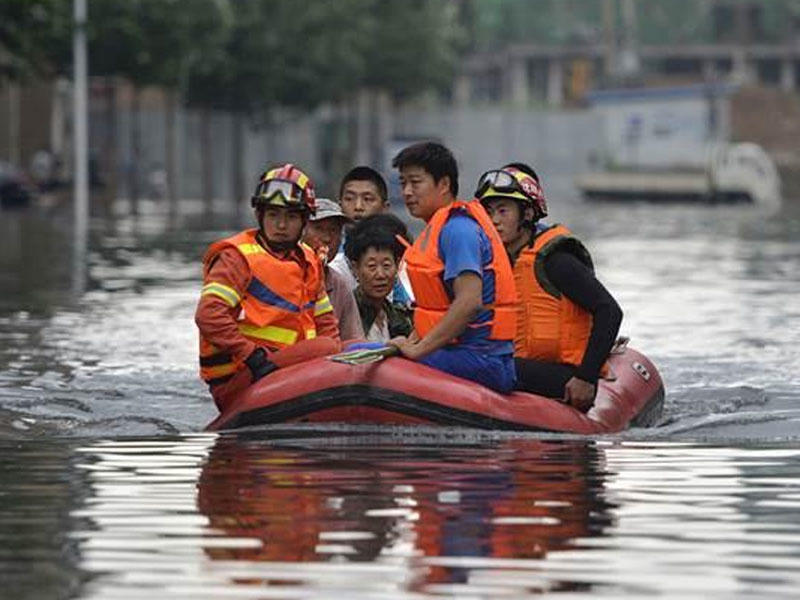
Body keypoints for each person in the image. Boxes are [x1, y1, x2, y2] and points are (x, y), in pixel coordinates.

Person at [476, 162, 623, 412]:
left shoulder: (556, 261)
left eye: (503, 211)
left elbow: (609, 310)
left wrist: (586, 378)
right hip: (521, 365)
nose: (494, 221)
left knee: (487, 366)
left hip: (565, 374)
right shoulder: (495, 263)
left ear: (527, 214)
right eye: (489, 212)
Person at [195, 164, 341, 411]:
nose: (281, 225)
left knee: (350, 346)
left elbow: (325, 323)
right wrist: (251, 355)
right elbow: (208, 315)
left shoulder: (309, 259)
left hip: (287, 366)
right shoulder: (237, 258)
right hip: (243, 374)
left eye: (291, 217)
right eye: (273, 215)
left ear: (305, 220)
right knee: (327, 348)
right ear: (260, 216)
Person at [388, 142, 517, 394]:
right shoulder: (437, 228)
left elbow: (469, 302)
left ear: (444, 184)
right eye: (403, 183)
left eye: (415, 182)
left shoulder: (457, 230)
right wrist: (412, 340)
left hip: (483, 359)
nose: (407, 191)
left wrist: (417, 350)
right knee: (368, 351)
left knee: (372, 359)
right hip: (461, 353)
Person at [302, 197, 365, 341]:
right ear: (301, 230)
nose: (327, 238)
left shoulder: (338, 284)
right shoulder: (283, 273)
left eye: (334, 231)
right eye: (318, 229)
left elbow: (353, 340)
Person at [344, 214, 413, 342]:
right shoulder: (347, 312)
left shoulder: (399, 316)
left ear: (397, 265)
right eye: (371, 266)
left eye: (386, 265)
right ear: (355, 268)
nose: (380, 275)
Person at [328, 166, 389, 289]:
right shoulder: (329, 250)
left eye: (367, 199)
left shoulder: (397, 252)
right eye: (349, 199)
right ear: (340, 206)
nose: (358, 206)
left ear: (385, 208)